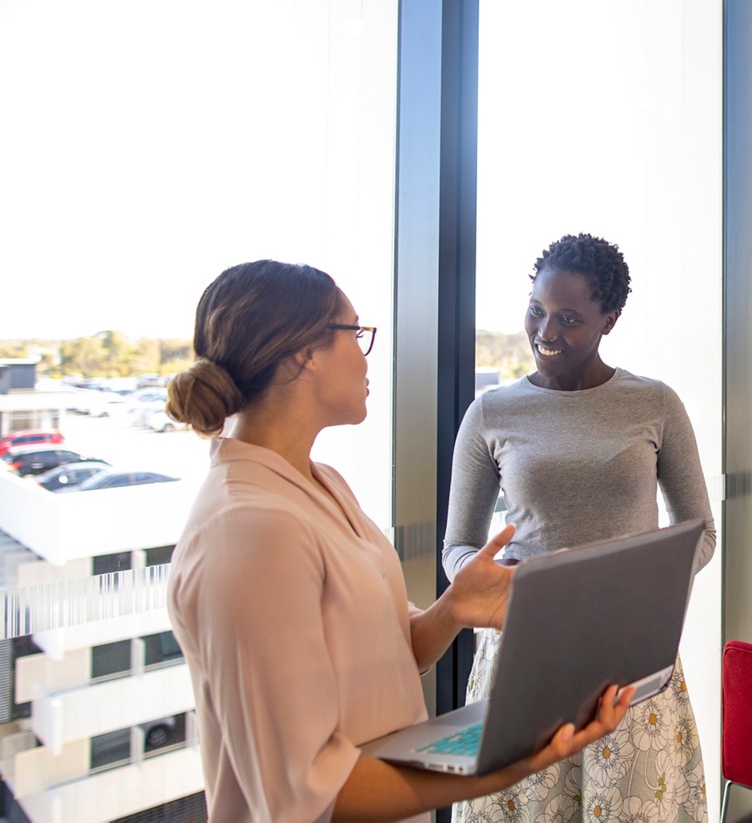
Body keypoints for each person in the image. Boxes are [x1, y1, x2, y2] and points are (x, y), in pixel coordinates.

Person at [165, 260, 633, 823]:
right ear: (301, 353)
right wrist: (506, 762)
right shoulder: (248, 528)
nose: (367, 355)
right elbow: (305, 793)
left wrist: (455, 607)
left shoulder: (321, 484)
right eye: (354, 333)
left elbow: (392, 652)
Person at [443, 233, 717, 822]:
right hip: (523, 648)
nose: (546, 331)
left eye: (568, 318)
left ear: (609, 320)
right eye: (537, 311)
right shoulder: (491, 412)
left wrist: (636, 588)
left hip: (628, 655)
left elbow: (701, 533)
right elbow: (457, 546)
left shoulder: (655, 403)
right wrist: (498, 581)